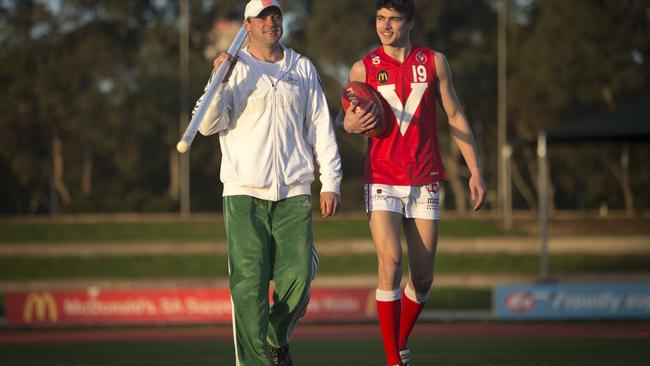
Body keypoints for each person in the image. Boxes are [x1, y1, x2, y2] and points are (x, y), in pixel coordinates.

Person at [337, 1, 487, 365]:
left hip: (425, 179)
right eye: (380, 19)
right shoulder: (364, 67)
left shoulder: (434, 61)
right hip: (382, 179)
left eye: (393, 19)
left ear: (411, 23)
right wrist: (348, 125)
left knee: (422, 278)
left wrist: (476, 171)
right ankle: (393, 360)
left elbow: (454, 114)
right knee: (390, 262)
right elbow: (347, 119)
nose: (385, 26)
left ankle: (399, 343)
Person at [194, 1, 342, 365]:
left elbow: (321, 128)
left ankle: (278, 335)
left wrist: (331, 181)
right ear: (247, 25)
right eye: (263, 17)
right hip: (244, 194)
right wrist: (219, 81)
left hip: (294, 192)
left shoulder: (302, 68)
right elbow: (206, 125)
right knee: (249, 288)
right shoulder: (233, 68)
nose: (271, 22)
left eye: (275, 15)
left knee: (298, 278)